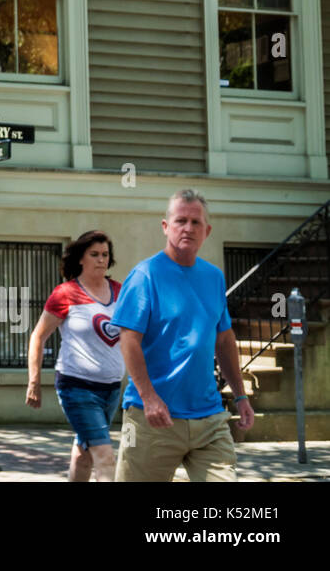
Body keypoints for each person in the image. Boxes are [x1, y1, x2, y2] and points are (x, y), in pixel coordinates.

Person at [111, 189, 253, 481]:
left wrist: (240, 395)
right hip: (151, 418)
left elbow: (224, 340)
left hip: (209, 418)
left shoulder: (213, 277)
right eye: (180, 221)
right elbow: (128, 340)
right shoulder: (145, 275)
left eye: (195, 222)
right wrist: (149, 398)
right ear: (166, 227)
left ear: (207, 230)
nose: (188, 228)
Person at [26, 230, 124, 481]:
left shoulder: (120, 291)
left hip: (112, 388)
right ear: (81, 258)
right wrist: (34, 381)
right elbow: (38, 336)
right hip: (77, 387)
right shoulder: (65, 293)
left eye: (105, 254)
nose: (101, 259)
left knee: (85, 454)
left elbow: (135, 335)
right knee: (104, 456)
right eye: (94, 254)